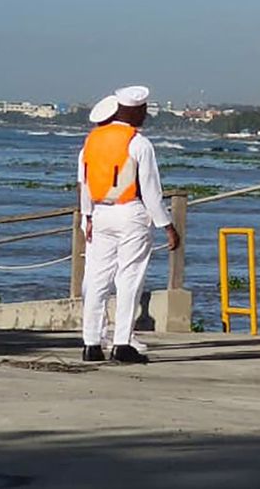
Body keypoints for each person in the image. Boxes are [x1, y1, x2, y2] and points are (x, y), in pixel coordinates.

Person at [78, 85, 181, 364]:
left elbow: (85, 183)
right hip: (130, 211)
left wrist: (87, 216)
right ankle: (122, 342)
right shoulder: (138, 143)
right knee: (129, 279)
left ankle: (91, 343)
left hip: (100, 213)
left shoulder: (92, 141)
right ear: (133, 110)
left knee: (97, 279)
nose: (146, 115)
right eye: (144, 110)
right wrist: (167, 225)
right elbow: (150, 190)